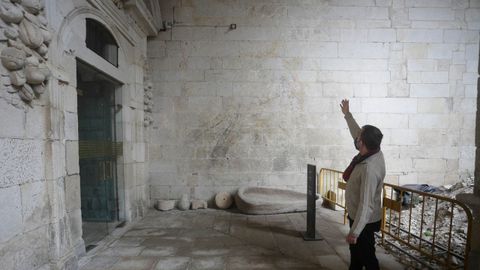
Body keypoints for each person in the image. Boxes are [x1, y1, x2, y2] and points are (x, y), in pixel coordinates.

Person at [340, 99, 385, 270]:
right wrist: (347, 115)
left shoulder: (370, 168)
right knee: (356, 254)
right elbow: (356, 132)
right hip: (358, 216)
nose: (356, 137)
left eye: (359, 137)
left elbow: (366, 204)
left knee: (367, 257)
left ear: (362, 143)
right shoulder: (370, 150)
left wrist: (355, 232)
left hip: (364, 221)